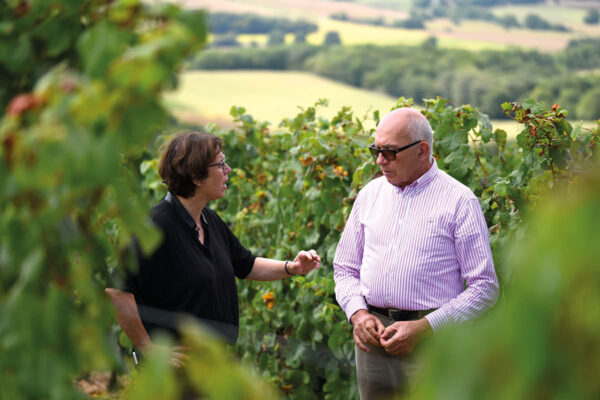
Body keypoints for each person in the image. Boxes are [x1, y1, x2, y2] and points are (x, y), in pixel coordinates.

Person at [106, 131, 320, 367]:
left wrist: (293, 267)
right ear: (196, 176)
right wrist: (147, 347)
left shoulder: (209, 220)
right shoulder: (154, 227)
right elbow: (116, 290)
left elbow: (247, 265)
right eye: (220, 164)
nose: (228, 169)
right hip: (176, 373)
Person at [333, 108, 499, 399]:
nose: (380, 160)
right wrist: (358, 314)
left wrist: (427, 327)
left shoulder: (459, 202)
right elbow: (345, 268)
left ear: (422, 150)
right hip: (373, 341)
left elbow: (485, 287)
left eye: (390, 152)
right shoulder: (369, 195)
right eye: (376, 150)